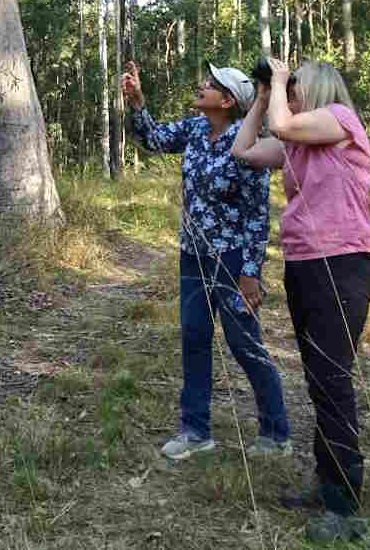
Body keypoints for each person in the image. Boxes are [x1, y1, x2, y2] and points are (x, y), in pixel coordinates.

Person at [231, 58, 370, 543]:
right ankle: (328, 479)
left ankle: (344, 501)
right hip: (305, 263)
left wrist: (276, 82)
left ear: (314, 88)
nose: (287, 93)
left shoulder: (340, 119)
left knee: (332, 377)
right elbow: (244, 149)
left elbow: (283, 122)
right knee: (318, 378)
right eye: (284, 87)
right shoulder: (295, 143)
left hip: (344, 261)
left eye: (294, 86)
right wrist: (258, 98)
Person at [120, 61, 290, 462]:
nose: (202, 85)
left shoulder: (247, 142)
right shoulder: (196, 129)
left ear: (229, 100)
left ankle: (276, 431)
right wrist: (138, 103)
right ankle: (195, 431)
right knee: (194, 338)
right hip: (192, 256)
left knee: (244, 344)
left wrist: (251, 272)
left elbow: (256, 215)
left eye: (211, 84)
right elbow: (156, 139)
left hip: (231, 261)